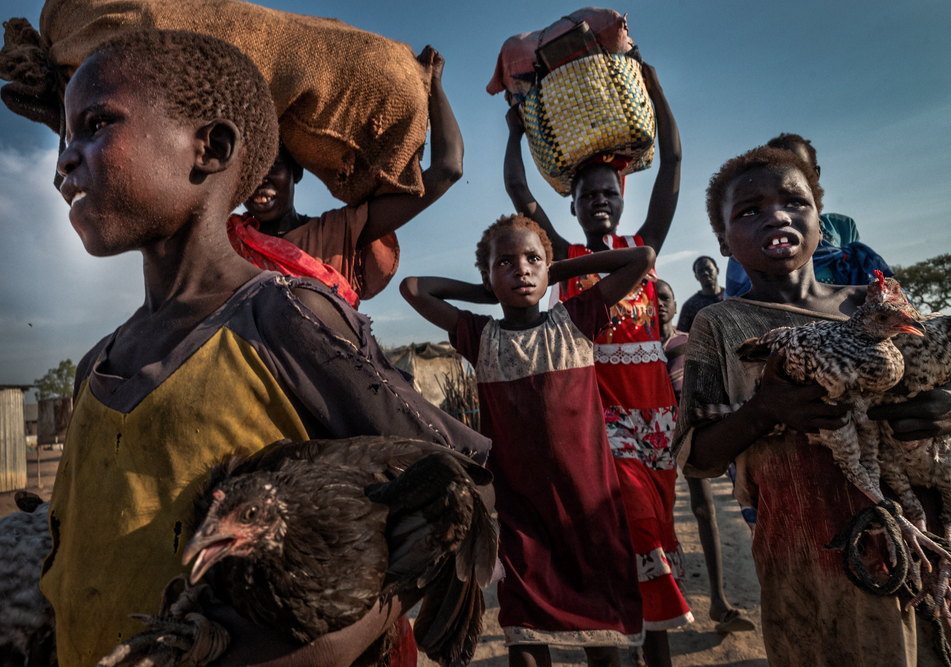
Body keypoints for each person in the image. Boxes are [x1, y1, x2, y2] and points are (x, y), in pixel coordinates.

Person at [47, 29, 489, 667]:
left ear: (212, 149)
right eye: (65, 137)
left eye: (95, 124)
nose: (64, 159)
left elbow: (464, 484)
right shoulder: (96, 366)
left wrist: (319, 643)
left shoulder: (283, 319)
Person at [673, 145, 950, 666]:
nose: (776, 214)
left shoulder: (873, 305)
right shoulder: (721, 324)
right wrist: (766, 411)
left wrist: (944, 409)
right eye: (748, 210)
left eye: (794, 201)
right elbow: (696, 457)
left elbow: (933, 376)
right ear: (723, 241)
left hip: (922, 536)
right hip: (806, 550)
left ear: (822, 222)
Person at [401, 214, 656, 667]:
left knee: (602, 641)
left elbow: (641, 257)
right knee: (524, 637)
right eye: (506, 262)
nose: (521, 269)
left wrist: (556, 270)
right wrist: (485, 290)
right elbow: (413, 288)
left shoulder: (575, 320)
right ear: (488, 274)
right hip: (522, 514)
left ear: (549, 271)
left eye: (532, 260)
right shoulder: (480, 337)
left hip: (589, 508)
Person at [504, 62, 690, 667]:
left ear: (620, 198)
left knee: (653, 537)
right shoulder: (566, 257)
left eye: (609, 194)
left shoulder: (647, 253)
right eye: (589, 197)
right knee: (626, 531)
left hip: (658, 417)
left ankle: (651, 649)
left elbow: (674, 169)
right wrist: (513, 133)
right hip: (600, 417)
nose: (600, 203)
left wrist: (657, 93)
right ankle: (611, 647)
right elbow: (519, 194)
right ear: (577, 206)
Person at [228, 46, 463, 308]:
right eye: (248, 168)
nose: (259, 178)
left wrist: (434, 85)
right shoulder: (226, 242)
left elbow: (448, 168)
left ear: (297, 171)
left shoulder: (340, 231)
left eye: (272, 165)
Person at [656, 280, 754, 635]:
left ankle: (718, 602)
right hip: (649, 436)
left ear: (675, 301)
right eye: (652, 299)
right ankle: (656, 607)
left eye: (664, 298)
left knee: (703, 509)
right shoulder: (637, 348)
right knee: (653, 517)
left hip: (689, 432)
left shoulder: (689, 340)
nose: (659, 304)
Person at [724, 133, 892, 298]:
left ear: (815, 174)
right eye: (777, 169)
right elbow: (739, 293)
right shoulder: (748, 234)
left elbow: (856, 272)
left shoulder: (842, 226)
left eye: (800, 168)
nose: (786, 176)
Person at [676, 257, 724, 333]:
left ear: (717, 270)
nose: (705, 273)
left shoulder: (732, 297)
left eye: (708, 269)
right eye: (700, 271)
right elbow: (681, 337)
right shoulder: (690, 306)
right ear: (696, 277)